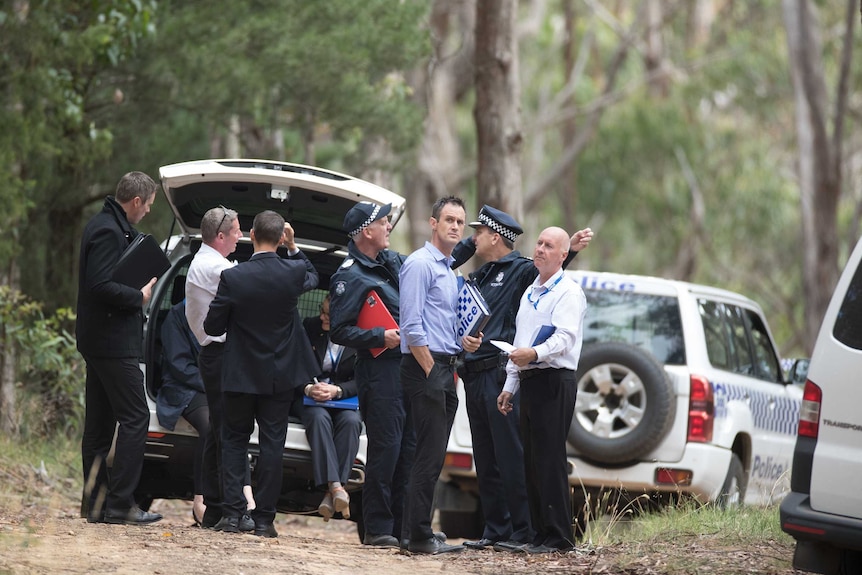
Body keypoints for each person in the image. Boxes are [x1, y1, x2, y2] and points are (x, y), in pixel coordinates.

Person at [450, 205, 593, 551]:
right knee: (486, 457)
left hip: (507, 371)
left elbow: (551, 273)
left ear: (495, 236)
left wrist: (568, 250)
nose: (473, 237)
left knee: (515, 458)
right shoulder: (481, 274)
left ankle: (524, 531)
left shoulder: (520, 272)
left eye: (478, 232)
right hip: (478, 372)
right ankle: (496, 529)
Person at [204, 210, 319, 538]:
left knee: (234, 441)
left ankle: (233, 515)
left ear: (251, 235)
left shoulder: (233, 278)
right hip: (278, 377)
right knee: (272, 445)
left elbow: (212, 326)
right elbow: (312, 276)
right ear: (282, 237)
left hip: (239, 374)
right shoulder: (292, 272)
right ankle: (265, 520)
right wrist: (294, 248)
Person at [77, 171, 162, 525]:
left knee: (99, 426)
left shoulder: (111, 225)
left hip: (100, 340)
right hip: (110, 342)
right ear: (137, 201)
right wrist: (138, 296)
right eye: (148, 207)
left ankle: (96, 505)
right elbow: (98, 285)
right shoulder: (107, 230)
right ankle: (120, 505)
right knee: (136, 416)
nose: (147, 214)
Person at [496, 226, 588, 554]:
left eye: (549, 246)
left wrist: (534, 354)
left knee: (550, 460)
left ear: (563, 255)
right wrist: (510, 386)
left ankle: (560, 537)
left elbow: (564, 338)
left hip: (554, 381)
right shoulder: (531, 292)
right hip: (531, 381)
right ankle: (539, 535)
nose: (540, 249)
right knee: (532, 462)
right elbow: (520, 343)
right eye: (539, 243)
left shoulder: (568, 292)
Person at [399, 196, 482, 555]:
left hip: (447, 367)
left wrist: (466, 340)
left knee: (434, 456)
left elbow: (444, 324)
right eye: (448, 219)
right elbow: (412, 327)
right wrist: (433, 371)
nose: (454, 226)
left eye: (460, 222)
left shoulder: (450, 271)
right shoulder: (420, 265)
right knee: (427, 456)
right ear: (433, 223)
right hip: (426, 368)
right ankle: (417, 536)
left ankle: (418, 531)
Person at [327, 201, 412, 549]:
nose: (389, 225)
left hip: (405, 369)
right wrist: (380, 337)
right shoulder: (350, 275)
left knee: (408, 448)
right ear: (366, 231)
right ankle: (377, 527)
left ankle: (404, 527)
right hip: (378, 372)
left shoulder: (388, 262)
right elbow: (339, 330)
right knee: (386, 448)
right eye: (383, 221)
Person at [156, 278, 255, 526]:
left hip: (219, 384)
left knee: (232, 423)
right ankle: (201, 498)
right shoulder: (176, 317)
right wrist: (216, 382)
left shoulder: (227, 315)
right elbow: (179, 367)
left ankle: (244, 490)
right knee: (212, 425)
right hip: (186, 389)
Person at [184, 206, 256, 531]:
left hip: (217, 355)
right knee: (230, 431)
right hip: (221, 354)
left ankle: (215, 507)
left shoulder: (212, 263)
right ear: (222, 236)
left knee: (218, 430)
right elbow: (250, 287)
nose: (241, 236)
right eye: (238, 230)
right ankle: (231, 510)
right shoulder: (215, 267)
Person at [300, 295, 362, 522]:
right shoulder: (310, 327)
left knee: (352, 422)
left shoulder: (359, 336)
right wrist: (308, 388)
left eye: (328, 314)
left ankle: (331, 492)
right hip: (312, 398)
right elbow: (295, 364)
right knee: (318, 418)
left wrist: (338, 391)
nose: (322, 317)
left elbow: (363, 378)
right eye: (322, 311)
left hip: (343, 398)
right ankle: (336, 487)